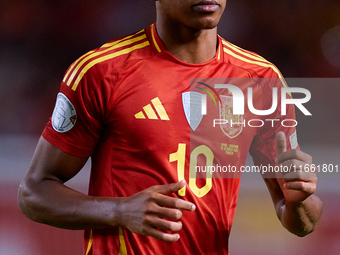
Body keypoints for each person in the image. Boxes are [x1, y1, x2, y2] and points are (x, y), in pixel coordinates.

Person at [18, 0, 323, 254]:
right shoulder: (102, 72)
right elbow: (34, 193)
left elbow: (301, 221)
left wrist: (299, 201)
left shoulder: (260, 79)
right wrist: (120, 211)